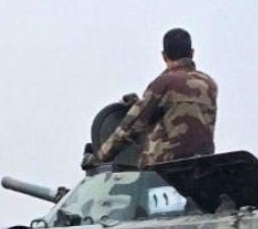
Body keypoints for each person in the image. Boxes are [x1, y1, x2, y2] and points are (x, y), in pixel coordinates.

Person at [90, 28, 218, 168]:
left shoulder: (164, 83)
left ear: (164, 56)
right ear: (192, 53)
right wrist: (138, 103)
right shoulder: (209, 84)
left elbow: (132, 127)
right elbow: (182, 109)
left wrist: (99, 157)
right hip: (202, 165)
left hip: (164, 169)